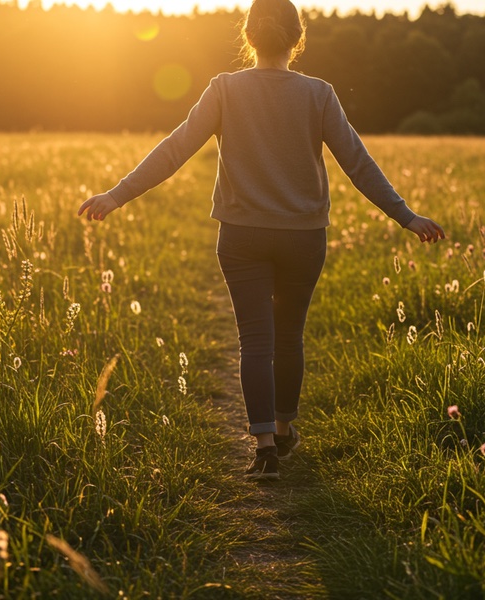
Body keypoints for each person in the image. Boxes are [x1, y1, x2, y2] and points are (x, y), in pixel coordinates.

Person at [78, 0, 445, 481]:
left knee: (255, 340)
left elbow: (175, 150)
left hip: (242, 236)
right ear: (298, 38)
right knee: (288, 336)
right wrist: (406, 215)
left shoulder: (225, 90)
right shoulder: (319, 94)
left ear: (249, 37)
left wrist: (116, 195)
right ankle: (287, 427)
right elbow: (358, 162)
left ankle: (265, 448)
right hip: (304, 237)